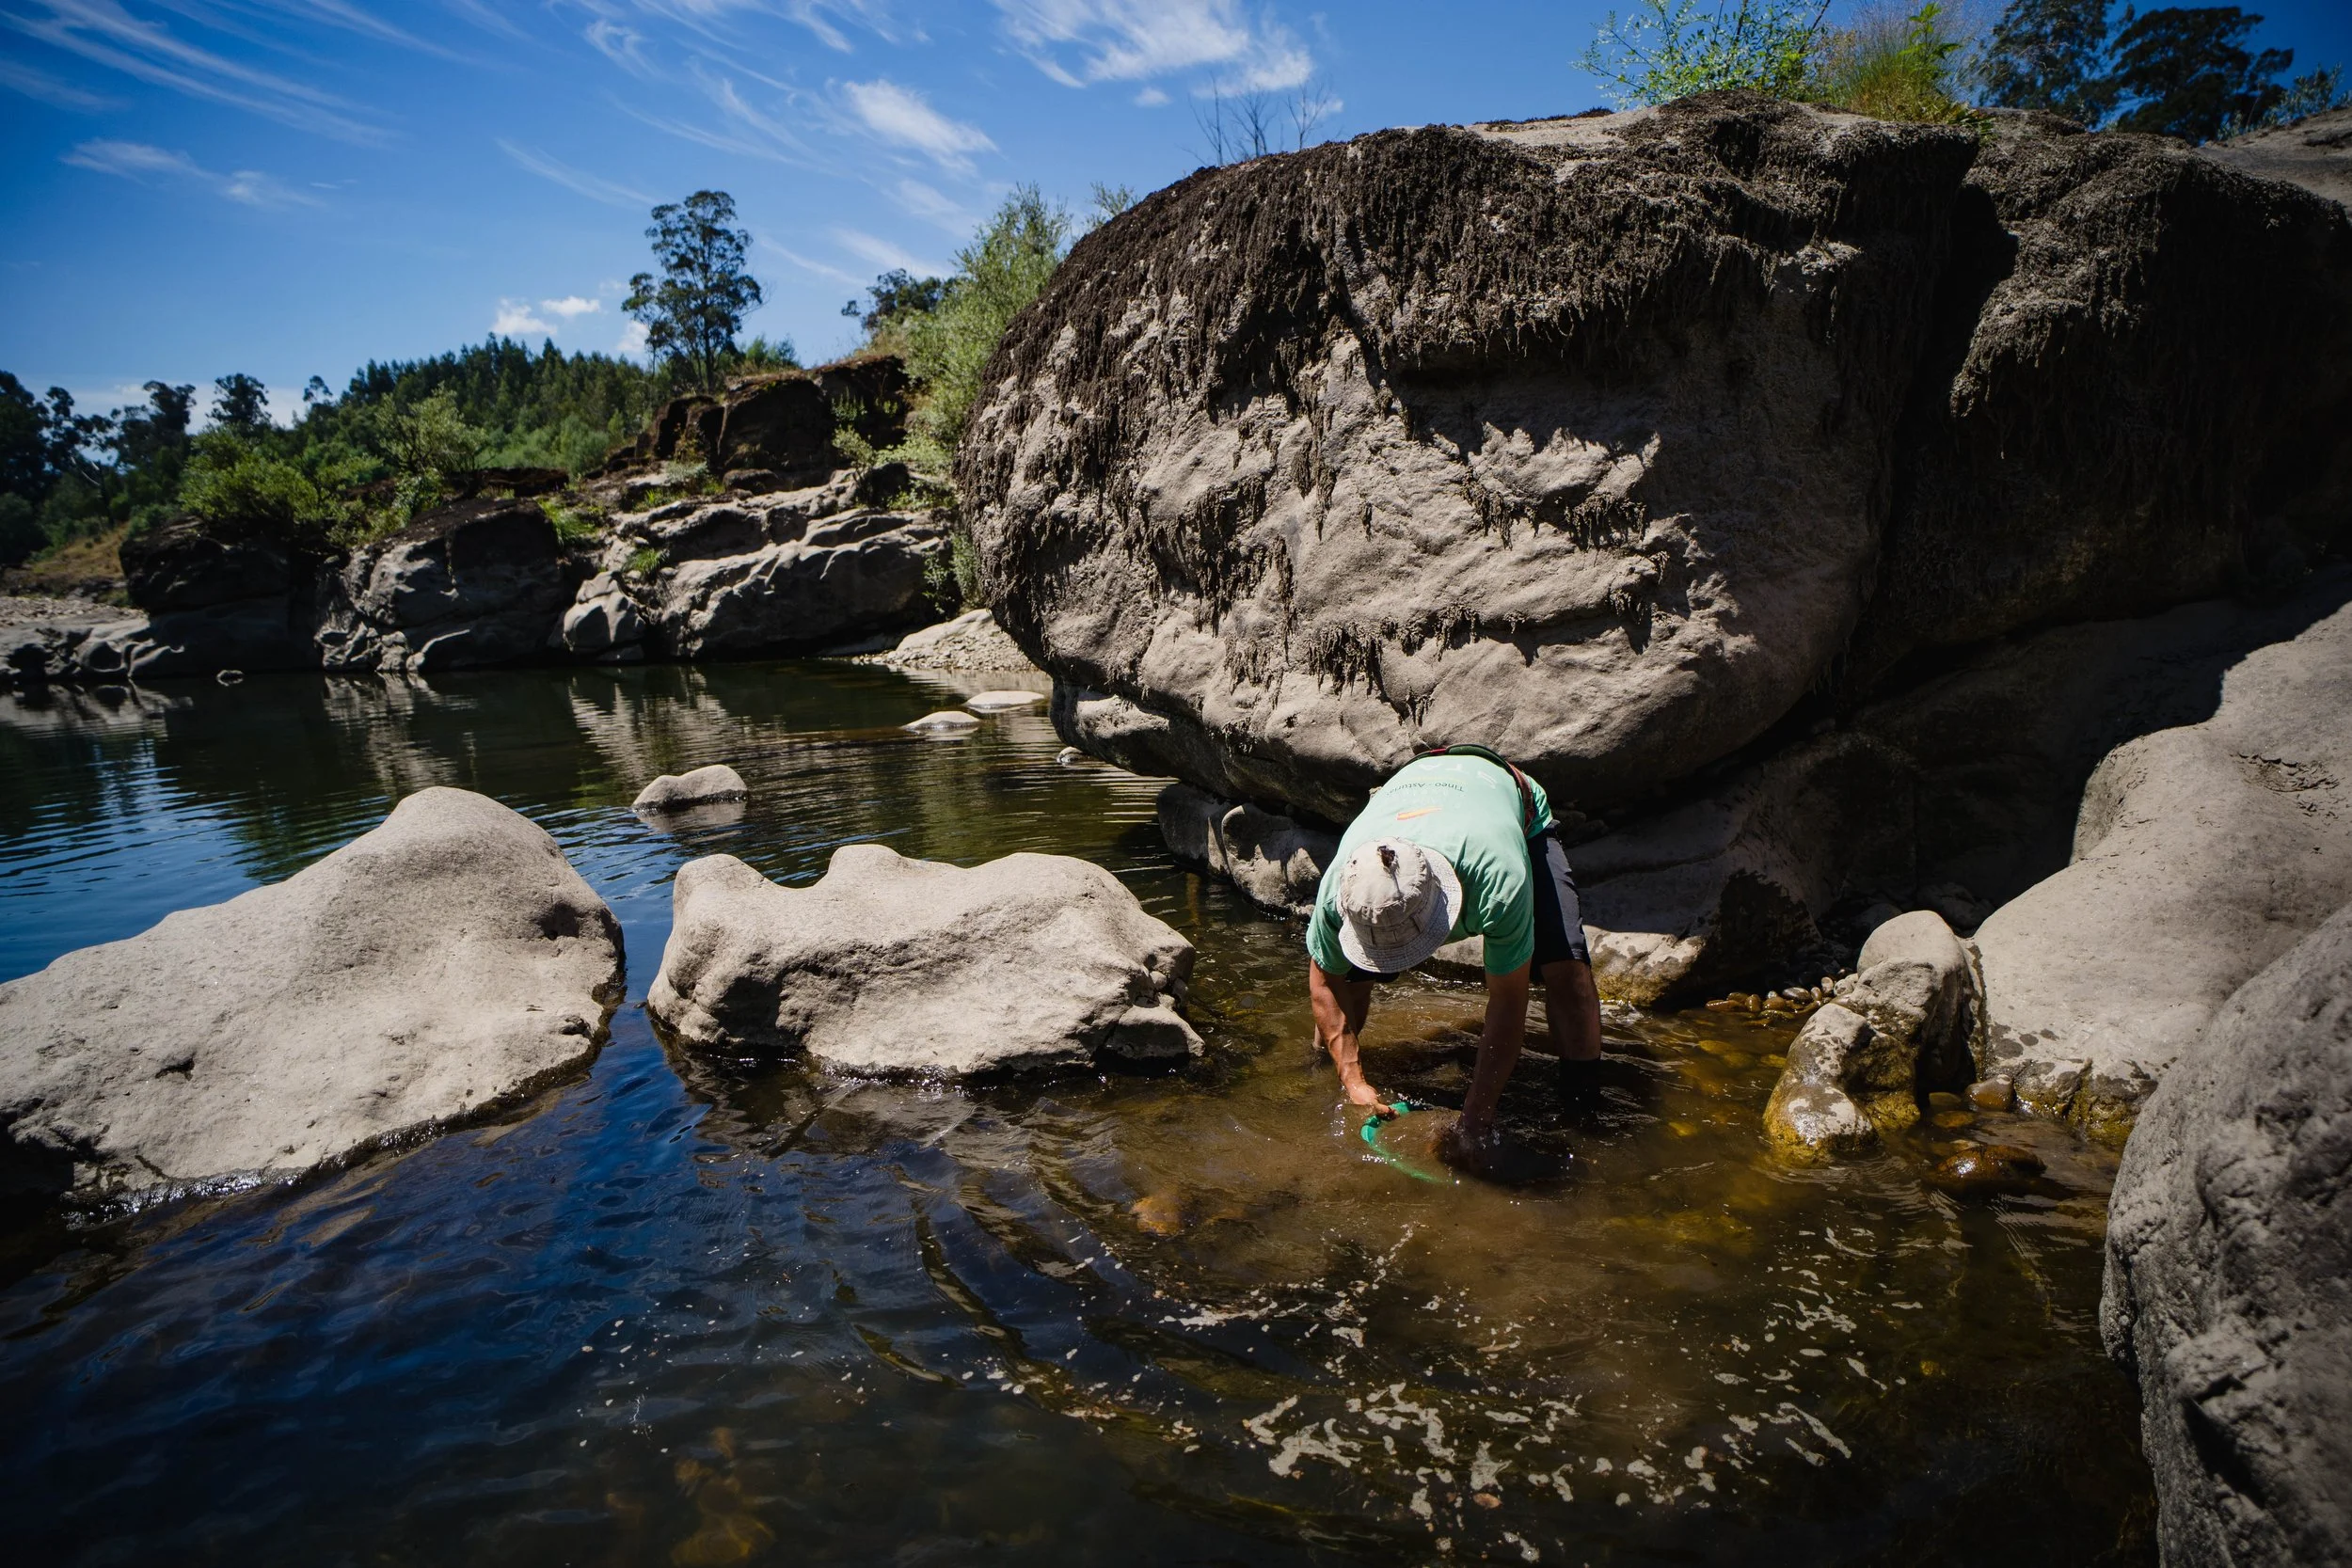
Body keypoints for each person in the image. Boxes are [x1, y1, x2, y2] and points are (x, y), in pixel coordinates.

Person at [1304, 745, 1603, 1171]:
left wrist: (1476, 1121)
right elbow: (1324, 982)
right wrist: (1353, 1081)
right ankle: (1325, 1074)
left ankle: (1584, 1112)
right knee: (1347, 982)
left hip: (1510, 803)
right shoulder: (1343, 884)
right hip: (1413, 788)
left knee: (1566, 971)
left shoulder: (1498, 880)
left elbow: (1506, 1002)